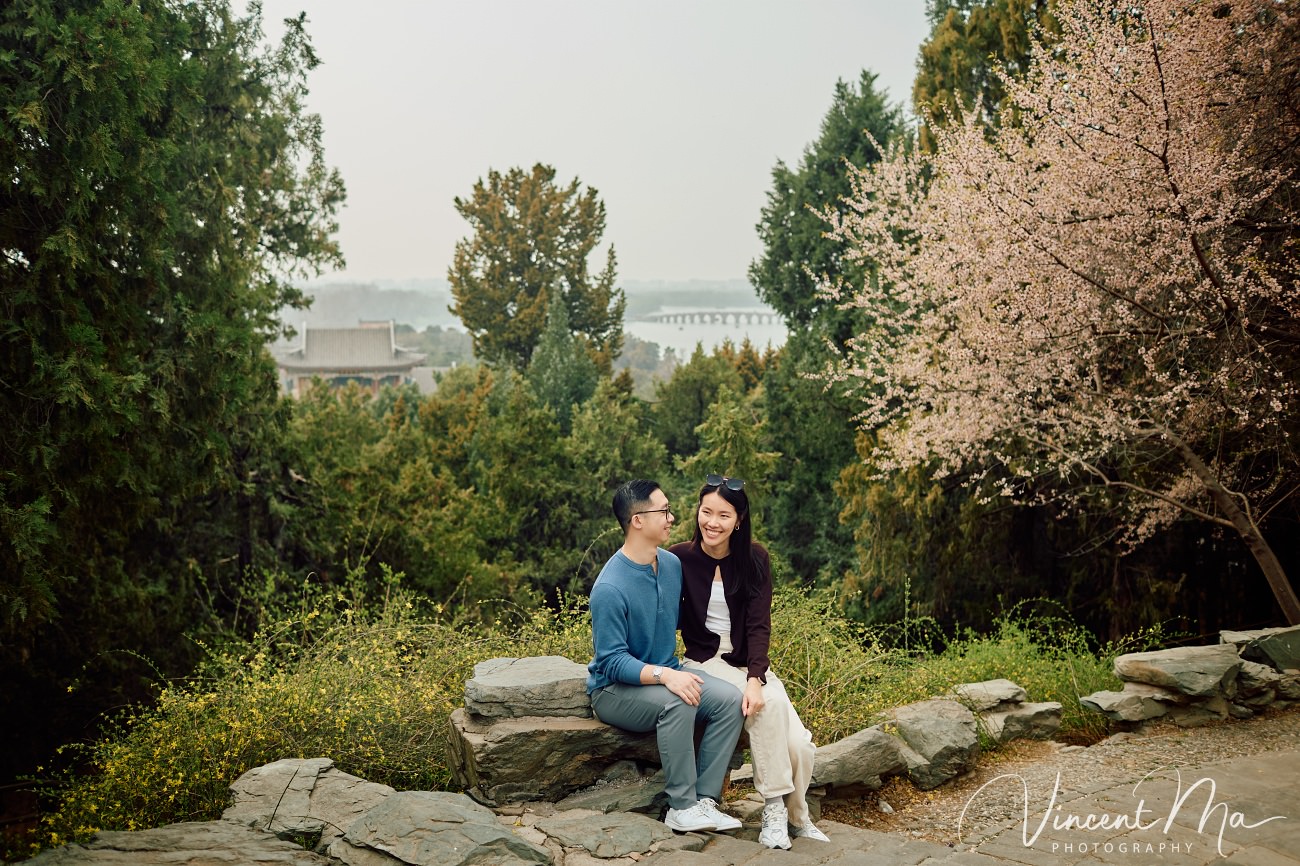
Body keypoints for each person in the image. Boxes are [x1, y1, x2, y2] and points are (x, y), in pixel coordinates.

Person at [671, 474, 831, 850]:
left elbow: (760, 624)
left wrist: (756, 676)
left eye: (723, 515)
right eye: (706, 511)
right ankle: (773, 808)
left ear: (738, 519)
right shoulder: (679, 558)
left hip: (748, 662)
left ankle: (797, 818)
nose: (712, 522)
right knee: (768, 707)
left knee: (801, 746)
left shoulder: (755, 558)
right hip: (704, 660)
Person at [586, 479, 746, 834]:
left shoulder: (672, 565)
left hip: (663, 675)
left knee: (730, 701)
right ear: (638, 521)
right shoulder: (609, 588)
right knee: (679, 701)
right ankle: (681, 806)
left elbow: (688, 620)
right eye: (664, 511)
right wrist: (666, 676)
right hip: (614, 690)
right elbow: (611, 661)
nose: (672, 517)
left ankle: (705, 802)